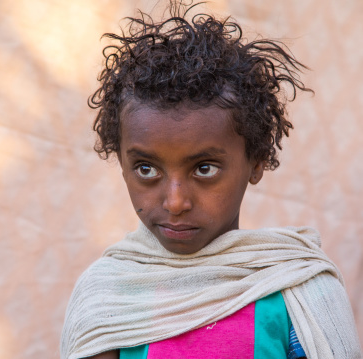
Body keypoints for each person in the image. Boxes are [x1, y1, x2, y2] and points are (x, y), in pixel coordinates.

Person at [61, 2, 362, 358]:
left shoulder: (295, 291)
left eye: (204, 168)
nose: (175, 202)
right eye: (147, 169)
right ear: (122, 163)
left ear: (256, 161)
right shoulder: (107, 297)